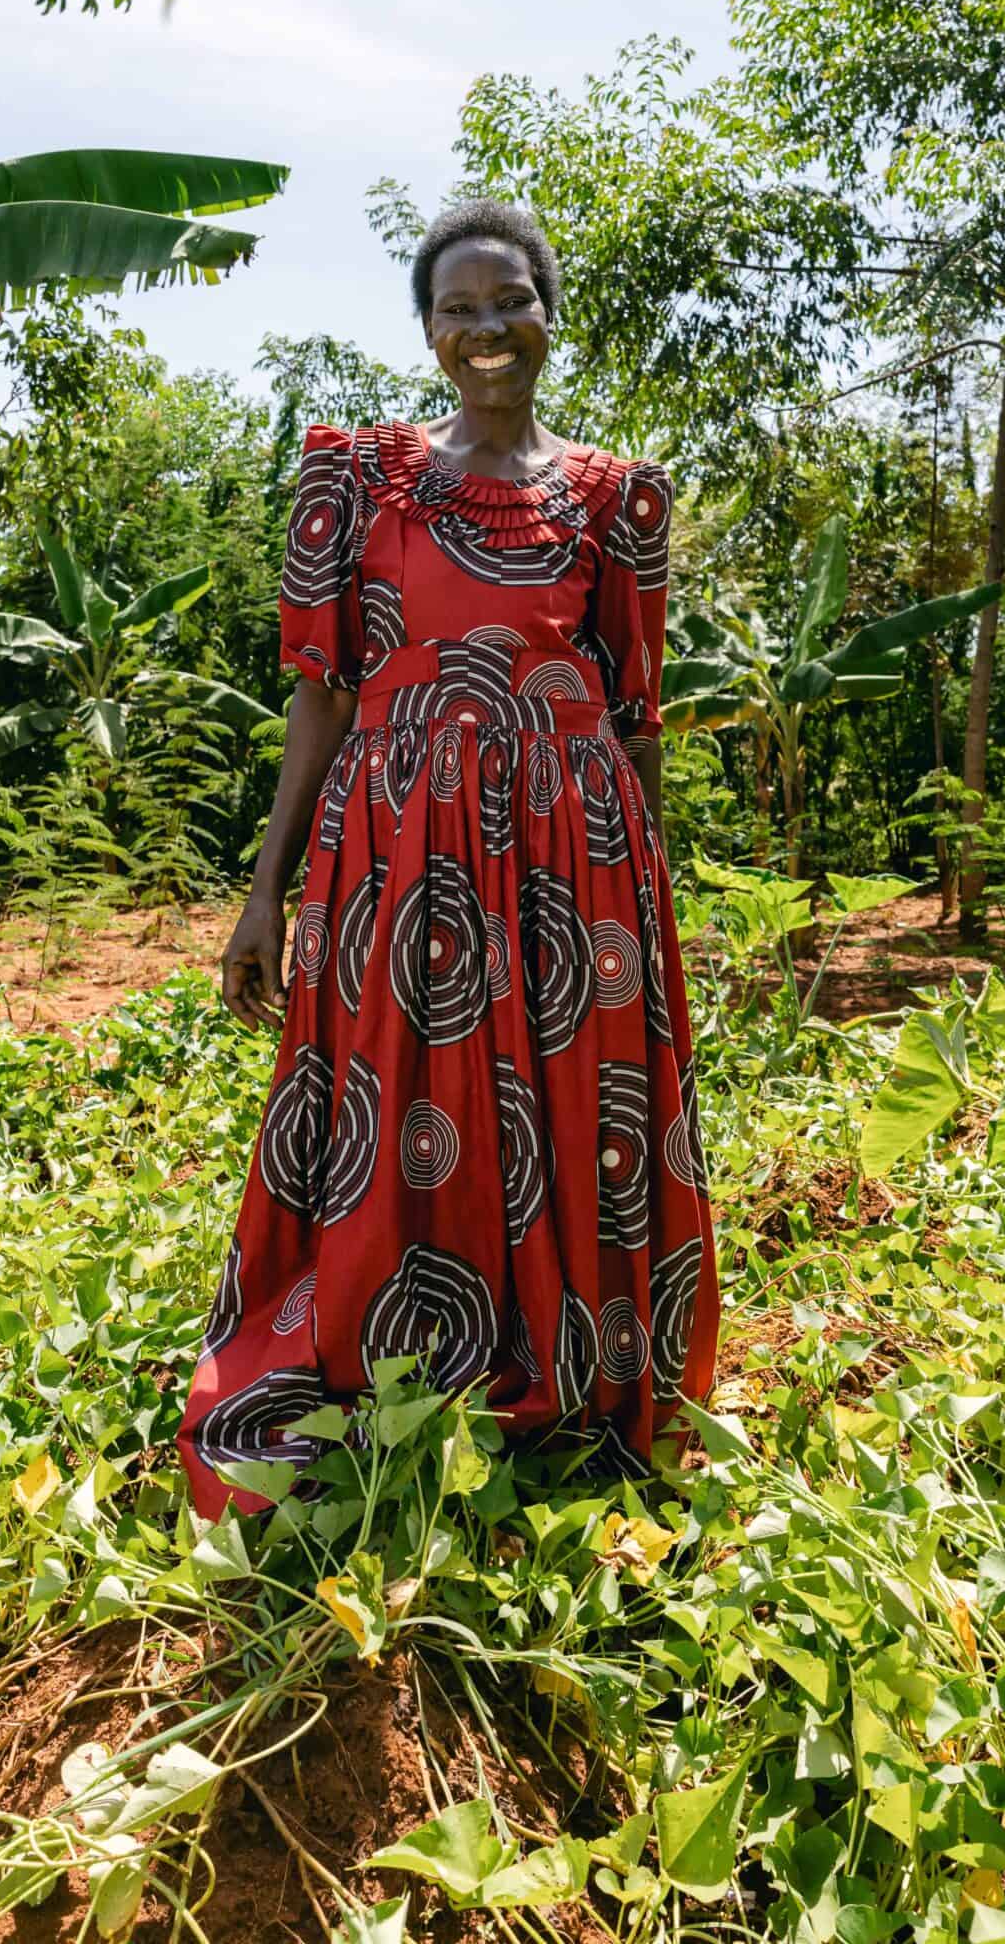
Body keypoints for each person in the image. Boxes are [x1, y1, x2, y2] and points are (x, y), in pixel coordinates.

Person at [178, 199, 718, 1514]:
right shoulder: (354, 480)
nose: (488, 330)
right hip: (397, 845)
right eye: (459, 309)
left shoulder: (618, 498)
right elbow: (319, 693)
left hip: (574, 858)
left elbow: (635, 718)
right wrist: (267, 893)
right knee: (400, 1093)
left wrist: (647, 910)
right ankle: (395, 1361)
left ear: (547, 315)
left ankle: (568, 1370)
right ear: (428, 333)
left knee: (575, 1105)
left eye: (509, 302)